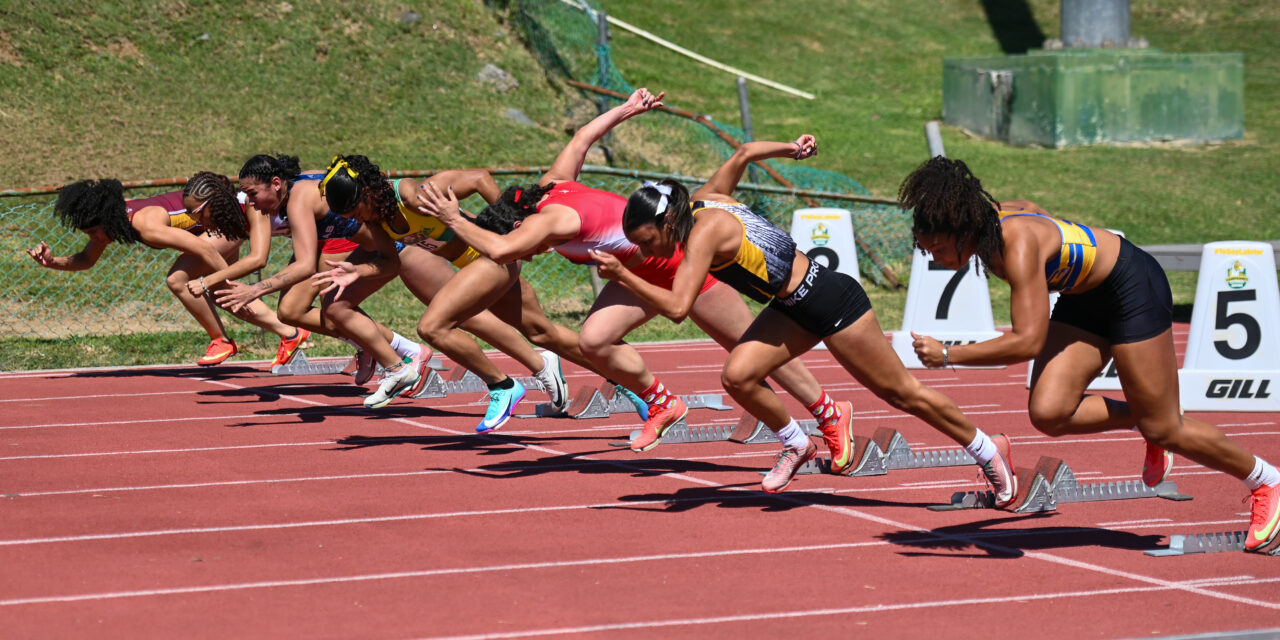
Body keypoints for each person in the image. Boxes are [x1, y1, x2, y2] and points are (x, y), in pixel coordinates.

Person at [416, 90, 863, 494]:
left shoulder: (552, 221)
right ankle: (665, 404)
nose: (528, 256)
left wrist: (453, 219)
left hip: (680, 265)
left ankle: (830, 414)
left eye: (527, 248)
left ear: (521, 224)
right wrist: (627, 109)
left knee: (750, 350)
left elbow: (500, 248)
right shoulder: (551, 186)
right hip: (636, 273)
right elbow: (583, 137)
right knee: (594, 340)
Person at [899, 155, 1280, 550]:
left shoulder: (1017, 244)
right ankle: (1146, 415)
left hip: (1132, 289)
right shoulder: (990, 218)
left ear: (963, 228)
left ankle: (1267, 481)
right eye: (926, 250)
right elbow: (1032, 208)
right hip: (1085, 296)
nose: (935, 259)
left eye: (938, 248)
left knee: (1166, 429)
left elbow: (1027, 341)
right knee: (1050, 411)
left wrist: (948, 355)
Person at [307, 155, 570, 429]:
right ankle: (546, 363)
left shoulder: (414, 196)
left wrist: (516, 232)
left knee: (434, 326)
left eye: (356, 212)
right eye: (350, 218)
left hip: (492, 259)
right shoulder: (378, 219)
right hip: (472, 265)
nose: (357, 220)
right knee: (540, 331)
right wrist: (358, 271)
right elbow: (391, 263)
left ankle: (502, 385)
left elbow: (479, 178)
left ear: (368, 192)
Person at [216, 155, 430, 408]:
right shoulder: (292, 191)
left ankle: (401, 359)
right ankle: (379, 350)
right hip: (353, 244)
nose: (251, 202)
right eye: (246, 196)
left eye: (253, 194)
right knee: (293, 311)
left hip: (383, 250)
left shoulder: (298, 199)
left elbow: (304, 265)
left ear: (276, 183)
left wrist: (254, 290)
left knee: (337, 310)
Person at [27, 173, 304, 366]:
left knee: (178, 279)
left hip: (232, 219)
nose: (95, 238)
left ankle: (221, 340)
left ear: (106, 220)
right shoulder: (115, 218)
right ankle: (290, 333)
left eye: (93, 232)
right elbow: (87, 259)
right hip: (218, 228)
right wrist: (53, 262)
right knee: (220, 294)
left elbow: (205, 250)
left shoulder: (144, 225)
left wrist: (227, 283)